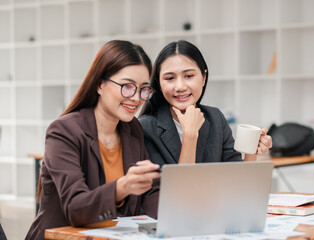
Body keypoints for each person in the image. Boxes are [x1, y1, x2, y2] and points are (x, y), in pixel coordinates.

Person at [26, 40, 161, 240]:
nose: (136, 98)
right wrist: (122, 187)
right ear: (100, 84)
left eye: (143, 89)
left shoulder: (132, 130)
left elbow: (149, 195)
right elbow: (75, 208)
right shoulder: (63, 131)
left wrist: (181, 216)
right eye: (127, 86)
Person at [139, 40, 272, 165]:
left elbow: (237, 181)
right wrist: (190, 136)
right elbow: (180, 188)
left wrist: (252, 151)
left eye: (189, 76)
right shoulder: (145, 128)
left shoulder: (216, 119)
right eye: (170, 78)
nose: (180, 87)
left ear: (204, 78)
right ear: (159, 84)